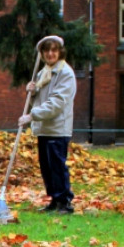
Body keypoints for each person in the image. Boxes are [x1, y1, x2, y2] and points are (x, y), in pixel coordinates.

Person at [18, 35, 77, 214]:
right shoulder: (43, 73)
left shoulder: (65, 73)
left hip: (57, 128)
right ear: (42, 54)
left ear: (60, 52)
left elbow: (57, 103)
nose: (50, 54)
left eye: (54, 50)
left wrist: (32, 116)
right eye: (46, 50)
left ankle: (65, 202)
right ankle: (54, 199)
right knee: (47, 167)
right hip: (44, 128)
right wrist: (32, 93)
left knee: (57, 166)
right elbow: (36, 101)